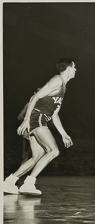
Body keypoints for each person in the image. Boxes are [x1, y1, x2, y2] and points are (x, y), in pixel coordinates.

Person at [3, 58, 76, 196]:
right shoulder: (58, 80)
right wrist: (26, 120)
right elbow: (34, 98)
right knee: (53, 151)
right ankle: (28, 183)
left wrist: (63, 134)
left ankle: (9, 182)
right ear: (69, 67)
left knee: (37, 156)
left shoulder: (63, 86)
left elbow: (54, 114)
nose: (76, 70)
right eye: (74, 67)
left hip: (41, 119)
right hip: (37, 118)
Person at [17, 88, 41, 164]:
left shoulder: (43, 105)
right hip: (27, 130)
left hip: (38, 129)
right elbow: (19, 116)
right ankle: (22, 167)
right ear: (35, 93)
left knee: (33, 152)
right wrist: (26, 120)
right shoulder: (28, 104)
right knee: (26, 153)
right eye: (38, 92)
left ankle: (26, 166)